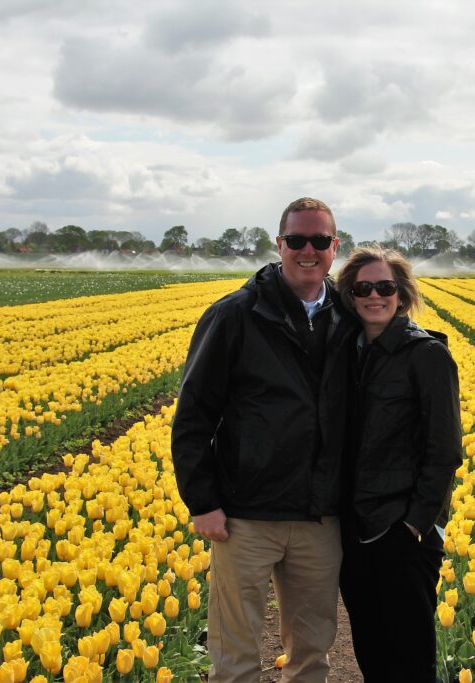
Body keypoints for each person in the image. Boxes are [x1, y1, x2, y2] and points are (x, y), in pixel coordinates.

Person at [171, 197, 357, 683]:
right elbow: (194, 414)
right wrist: (202, 500)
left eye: (320, 241)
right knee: (236, 655)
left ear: (335, 247)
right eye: (297, 240)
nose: (308, 250)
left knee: (313, 652)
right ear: (279, 245)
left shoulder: (348, 313)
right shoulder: (235, 314)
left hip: (319, 516)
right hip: (244, 514)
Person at [335, 247, 462, 682]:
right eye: (363, 288)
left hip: (402, 530)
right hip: (354, 528)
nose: (375, 296)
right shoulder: (346, 353)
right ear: (349, 296)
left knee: (409, 656)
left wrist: (416, 523)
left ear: (402, 295)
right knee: (371, 648)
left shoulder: (426, 355)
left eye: (385, 287)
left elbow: (444, 449)